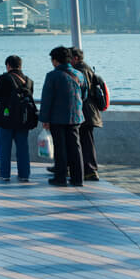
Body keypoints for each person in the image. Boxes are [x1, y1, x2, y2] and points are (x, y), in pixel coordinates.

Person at [39, 46, 87, 187]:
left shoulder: (52, 76)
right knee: (75, 147)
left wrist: (44, 119)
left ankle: (60, 178)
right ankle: (78, 178)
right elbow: (84, 95)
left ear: (55, 60)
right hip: (76, 117)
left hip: (57, 118)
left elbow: (47, 99)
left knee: (60, 148)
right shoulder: (79, 75)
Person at [0, 55, 35, 181]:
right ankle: (24, 175)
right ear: (21, 65)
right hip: (23, 120)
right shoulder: (29, 81)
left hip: (5, 119)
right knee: (23, 149)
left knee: (5, 149)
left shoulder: (4, 78)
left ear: (8, 65)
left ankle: (5, 175)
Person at [70, 48, 102, 181]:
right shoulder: (86, 68)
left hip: (85, 112)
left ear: (76, 58)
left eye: (70, 57)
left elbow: (83, 91)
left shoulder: (81, 71)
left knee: (86, 141)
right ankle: (88, 169)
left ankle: (90, 170)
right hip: (89, 111)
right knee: (85, 141)